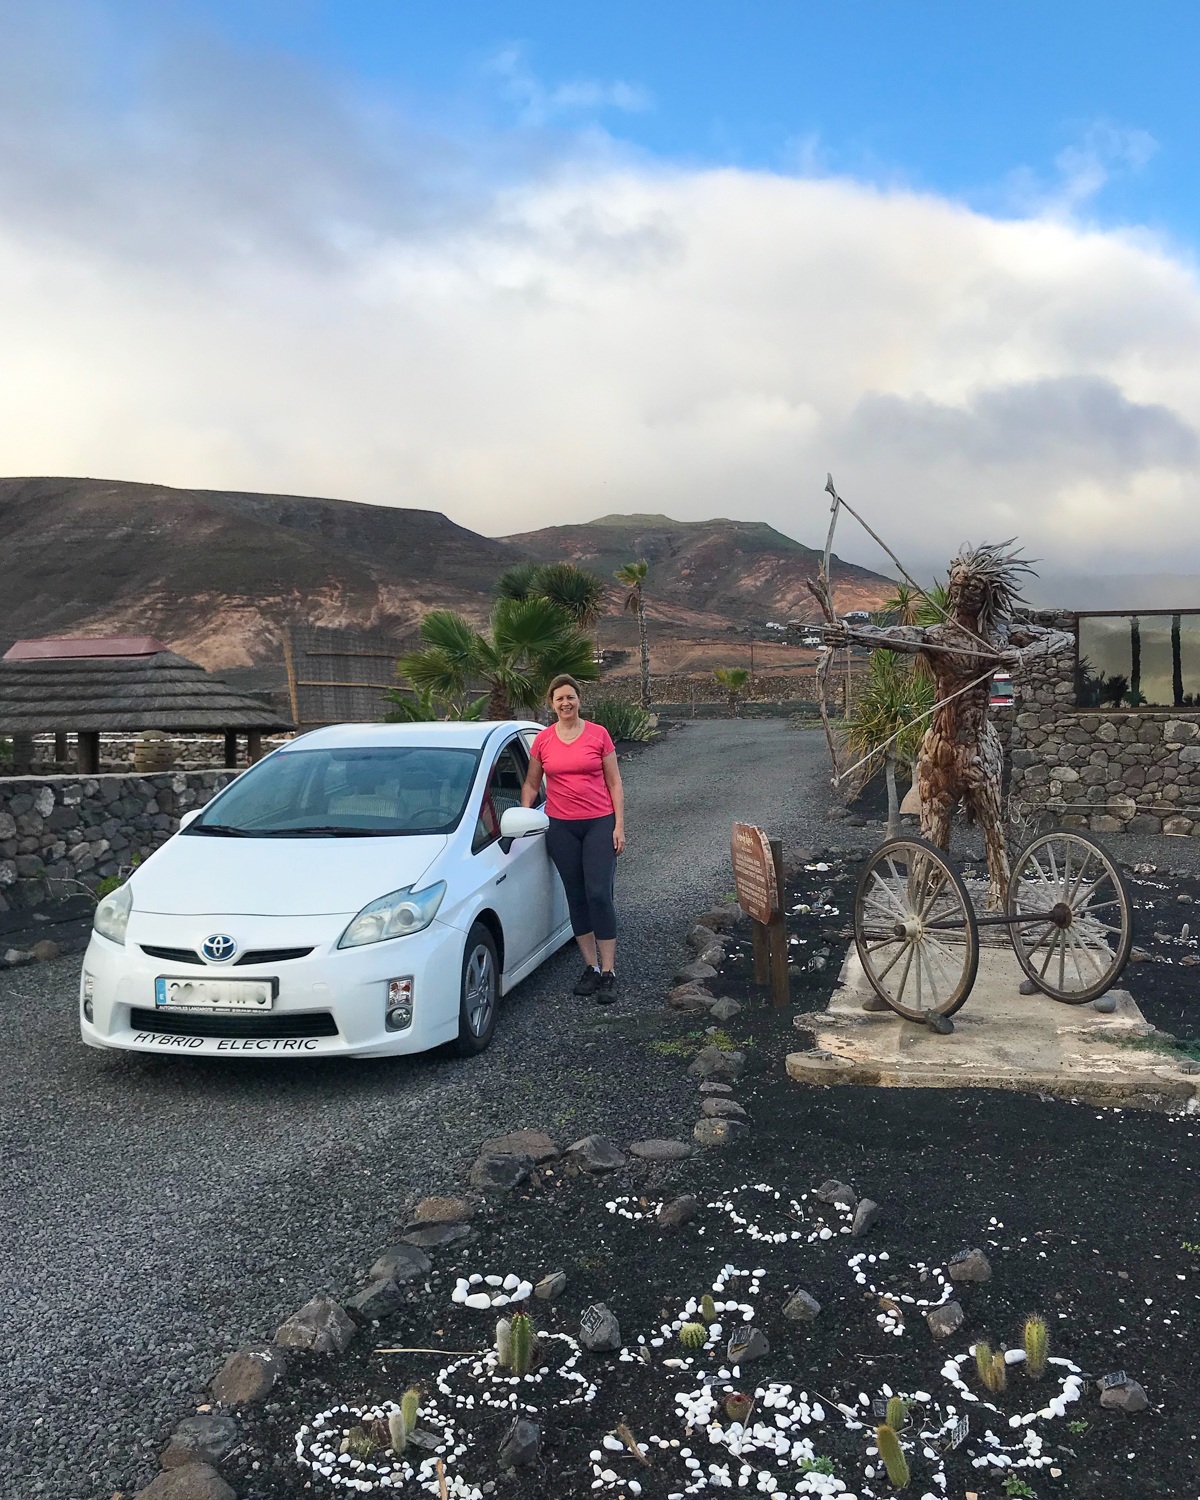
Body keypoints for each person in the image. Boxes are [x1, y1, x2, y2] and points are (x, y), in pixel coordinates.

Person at [521, 674, 626, 1002]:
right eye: (559, 699)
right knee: (576, 896)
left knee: (599, 895)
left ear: (579, 699)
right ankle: (590, 967)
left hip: (598, 823)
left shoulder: (598, 734)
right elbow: (531, 784)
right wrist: (524, 816)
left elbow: (615, 782)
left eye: (570, 697)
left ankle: (609, 970)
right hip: (562, 827)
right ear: (551, 704)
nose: (565, 703)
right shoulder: (543, 741)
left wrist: (619, 825)